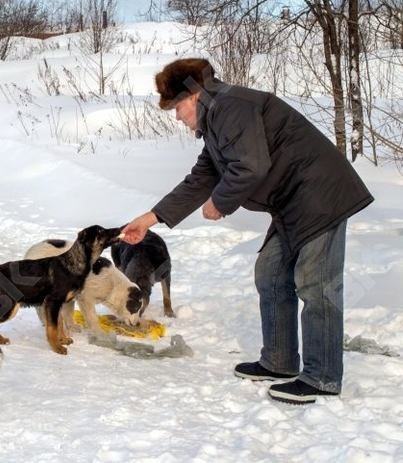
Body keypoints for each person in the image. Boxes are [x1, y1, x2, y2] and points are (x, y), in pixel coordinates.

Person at [121, 58, 373, 404]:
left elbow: (250, 167)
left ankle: (323, 377)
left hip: (319, 195)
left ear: (193, 95)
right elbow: (201, 179)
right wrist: (149, 219)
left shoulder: (230, 106)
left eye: (176, 107)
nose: (177, 117)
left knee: (316, 284)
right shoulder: (216, 123)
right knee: (270, 272)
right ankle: (280, 361)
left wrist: (220, 203)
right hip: (292, 203)